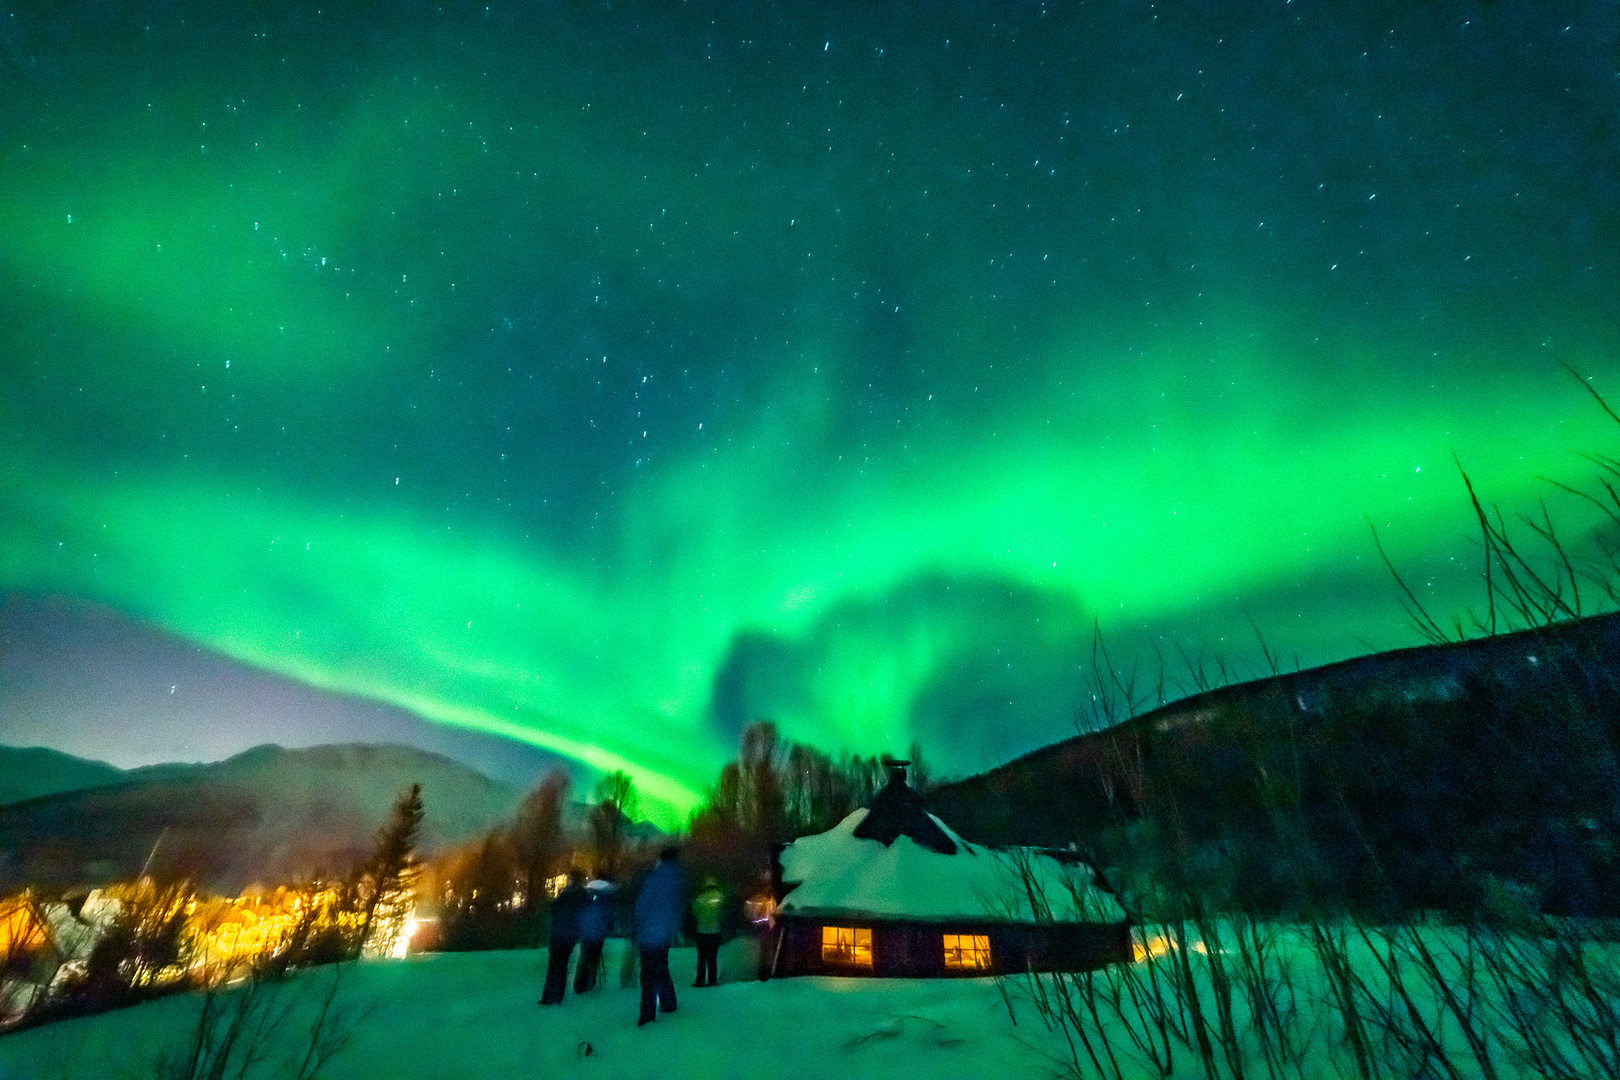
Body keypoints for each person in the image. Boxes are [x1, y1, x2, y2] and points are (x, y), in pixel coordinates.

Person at [633, 845, 690, 1026]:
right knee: (661, 968)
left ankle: (648, 1015)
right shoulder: (679, 878)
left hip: (649, 933)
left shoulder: (654, 878)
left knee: (649, 973)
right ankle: (668, 1002)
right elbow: (679, 908)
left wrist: (636, 927)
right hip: (665, 933)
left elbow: (642, 906)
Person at [539, 869, 587, 1005]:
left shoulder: (565, 894)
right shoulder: (582, 895)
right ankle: (556, 996)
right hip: (570, 935)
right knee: (562, 965)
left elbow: (554, 909)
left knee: (554, 965)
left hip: (558, 932)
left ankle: (549, 996)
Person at [573, 878, 615, 993]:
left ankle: (580, 985)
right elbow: (607, 918)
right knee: (593, 958)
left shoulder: (586, 898)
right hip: (598, 934)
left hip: (586, 933)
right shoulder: (605, 900)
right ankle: (589, 982)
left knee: (585, 958)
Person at [691, 876, 725, 987]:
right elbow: (724, 914)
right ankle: (712, 980)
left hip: (702, 931)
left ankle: (700, 980)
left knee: (701, 958)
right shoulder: (721, 898)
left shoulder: (700, 899)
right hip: (715, 931)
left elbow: (694, 913)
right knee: (712, 958)